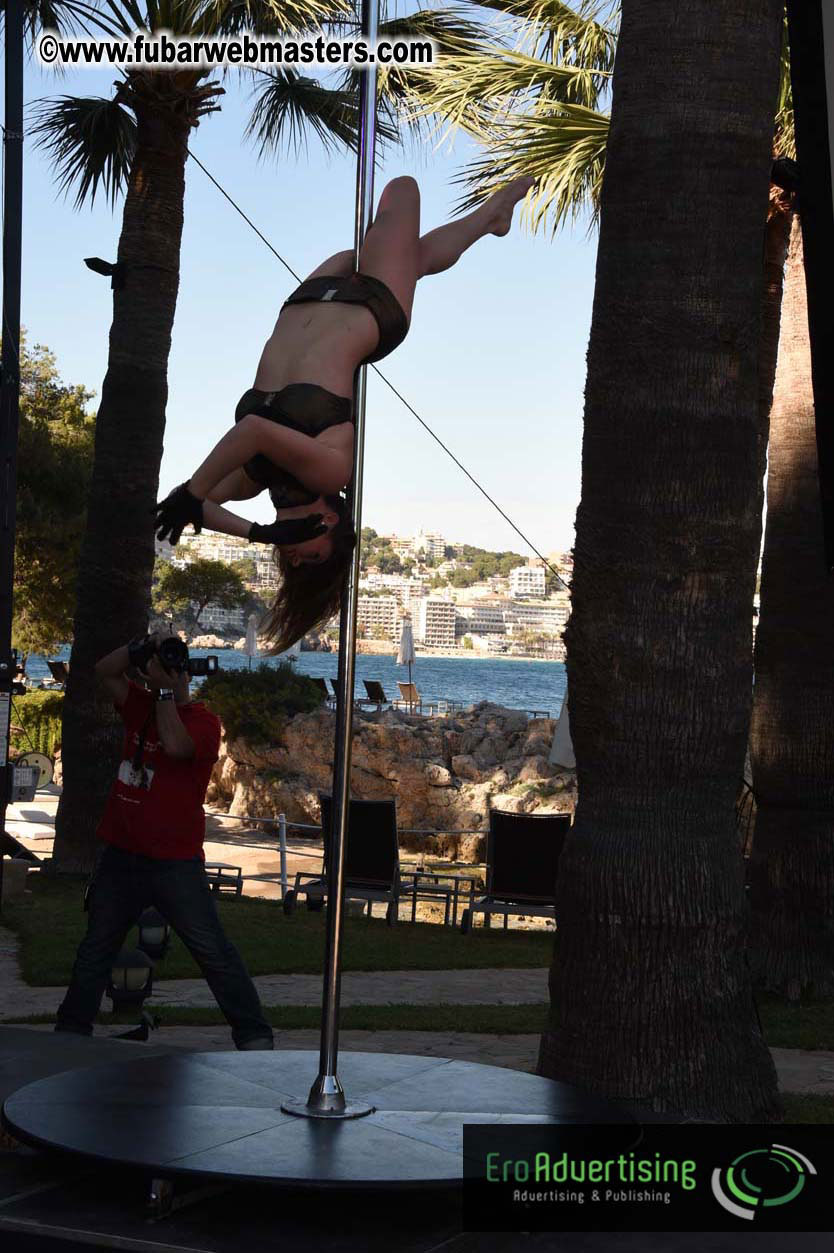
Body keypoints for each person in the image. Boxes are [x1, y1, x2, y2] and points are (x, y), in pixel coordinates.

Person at [154, 174, 535, 651]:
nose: (294, 560)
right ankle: (486, 218)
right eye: (312, 561)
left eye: (291, 568)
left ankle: (487, 220)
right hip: (376, 310)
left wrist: (258, 532)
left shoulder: (253, 480)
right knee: (402, 190)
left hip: (308, 300)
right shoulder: (330, 468)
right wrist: (196, 494)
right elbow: (251, 430)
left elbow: (194, 504)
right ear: (332, 529)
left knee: (410, 257)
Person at [55, 633, 274, 1051]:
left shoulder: (204, 722)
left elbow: (174, 745)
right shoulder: (140, 703)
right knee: (95, 949)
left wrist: (161, 688)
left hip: (174, 861)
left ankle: (254, 1035)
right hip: (121, 854)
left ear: (185, 675)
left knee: (213, 952)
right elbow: (104, 668)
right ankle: (70, 1032)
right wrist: (140, 647)